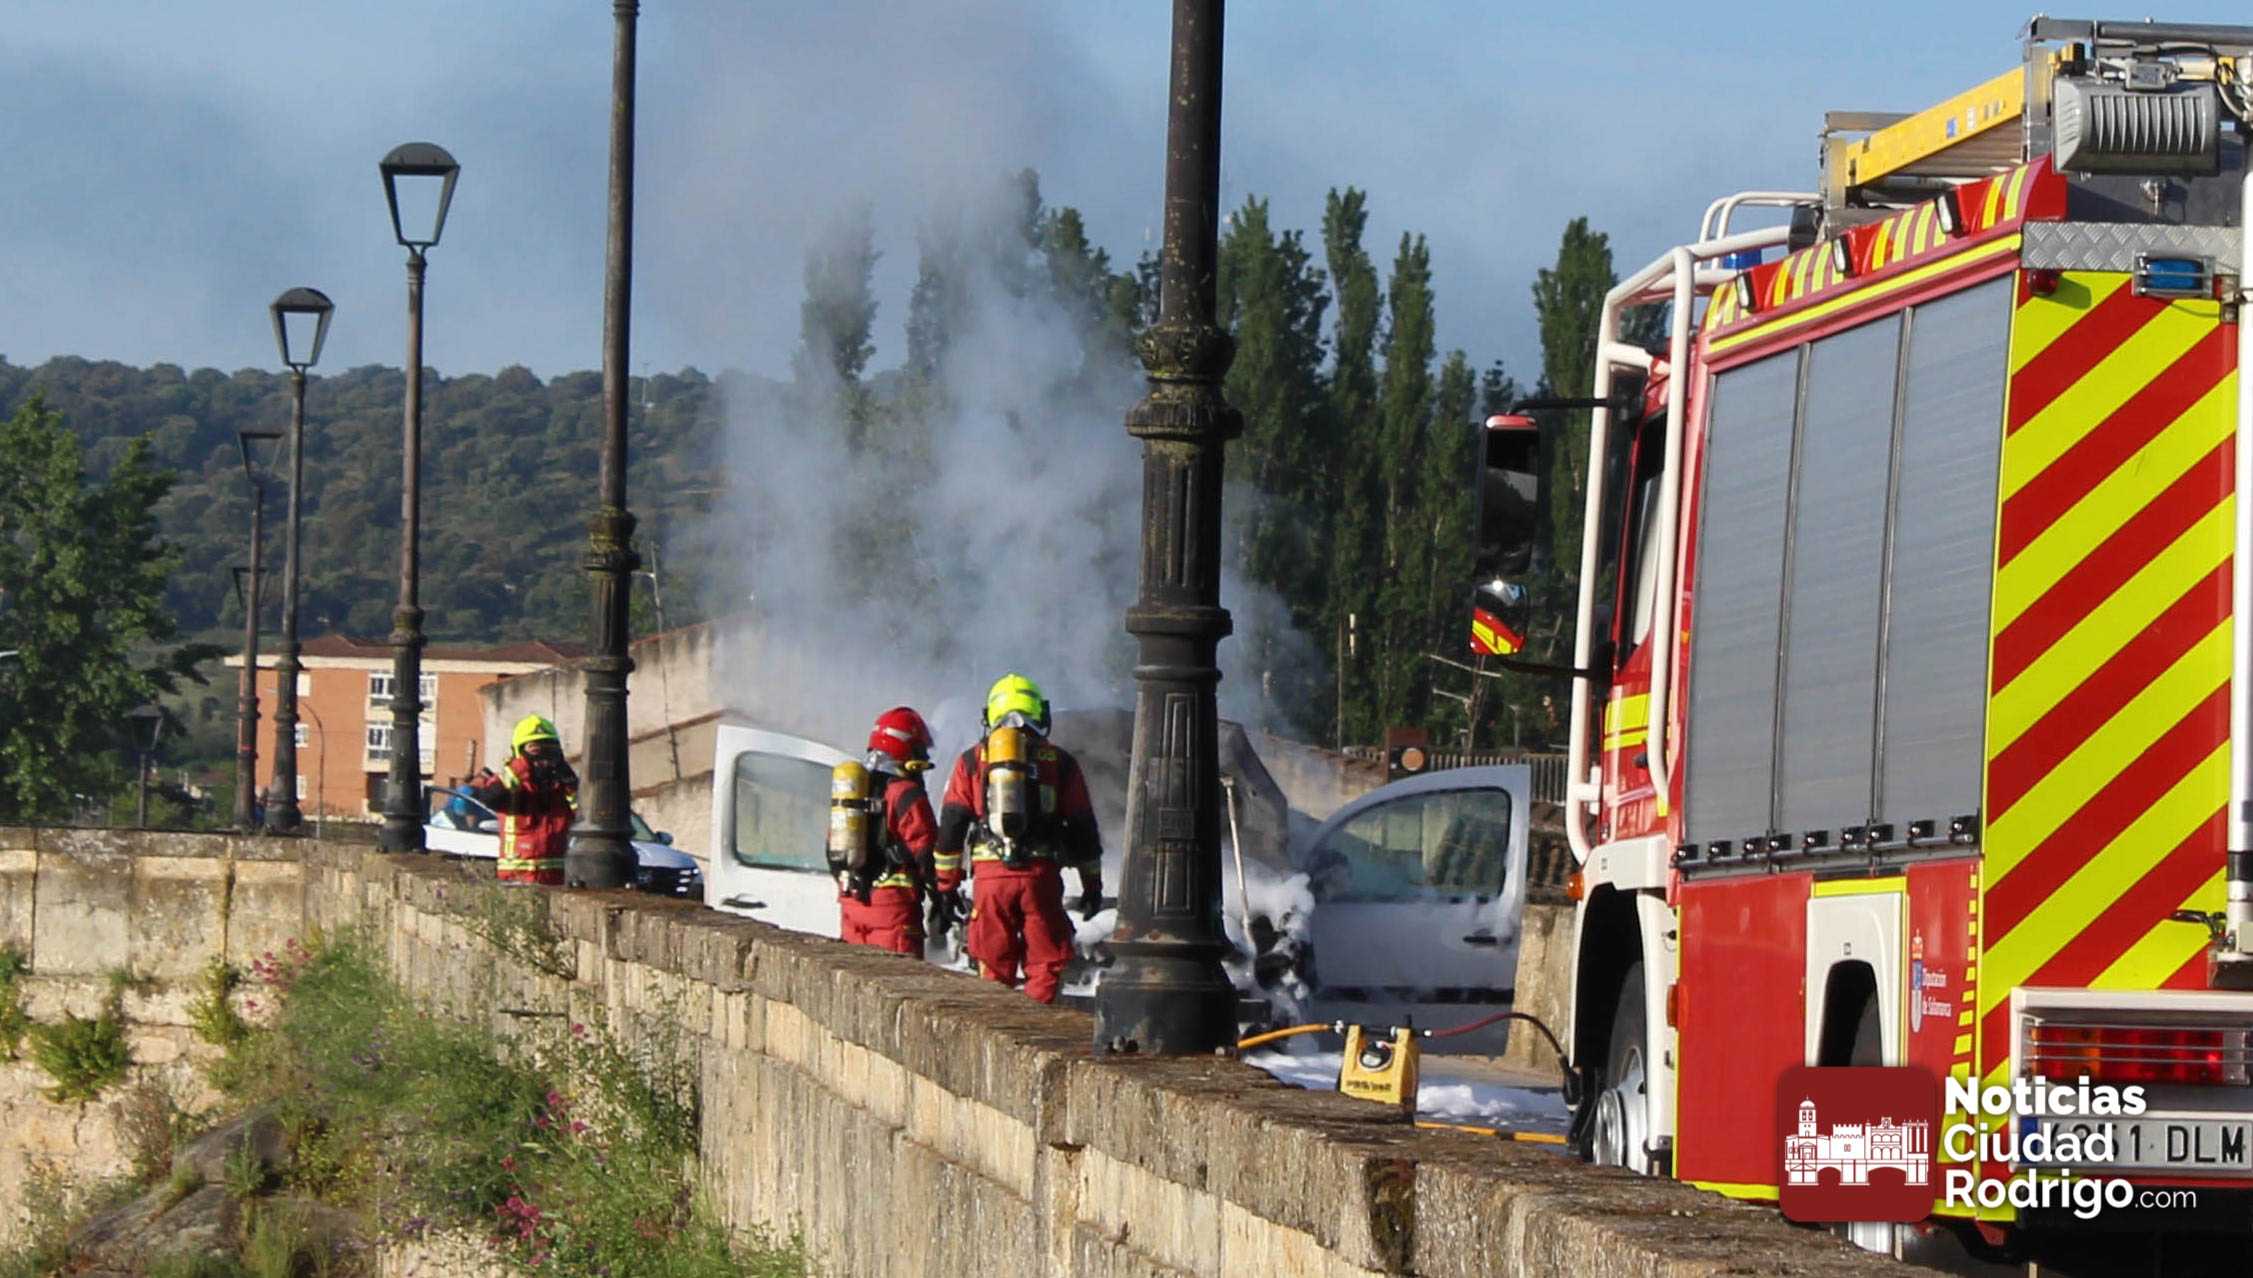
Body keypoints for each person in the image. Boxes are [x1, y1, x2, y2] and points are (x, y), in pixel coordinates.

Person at [931, 674, 1102, 1004]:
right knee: (1046, 961)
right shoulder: (1060, 762)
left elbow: (951, 826)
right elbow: (1084, 828)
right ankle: (1034, 1033)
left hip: (990, 880)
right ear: (1040, 713)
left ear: (990, 715)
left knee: (993, 963)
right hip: (1040, 877)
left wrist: (945, 887)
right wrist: (1092, 884)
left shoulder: (971, 760)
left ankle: (995, 1034)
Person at [838, 706, 940, 955]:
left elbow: (834, 847)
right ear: (905, 749)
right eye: (919, 750)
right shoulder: (906, 794)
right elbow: (928, 852)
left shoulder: (852, 791)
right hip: (893, 910)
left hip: (853, 905)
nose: (923, 757)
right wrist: (942, 896)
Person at [467, 715, 578, 886]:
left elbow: (585, 817)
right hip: (515, 879)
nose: (543, 759)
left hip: (554, 880)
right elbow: (491, 798)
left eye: (549, 750)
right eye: (535, 750)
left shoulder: (560, 788)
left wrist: (570, 782)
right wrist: (520, 768)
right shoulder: (510, 784)